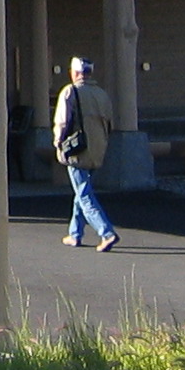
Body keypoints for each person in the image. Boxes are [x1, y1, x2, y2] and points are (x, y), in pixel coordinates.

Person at [52, 57, 120, 251]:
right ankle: (75, 234)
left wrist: (58, 142)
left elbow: (62, 121)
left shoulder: (70, 91)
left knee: (84, 194)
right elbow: (110, 123)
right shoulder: (102, 94)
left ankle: (106, 232)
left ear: (74, 72)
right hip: (98, 148)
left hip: (77, 149)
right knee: (82, 191)